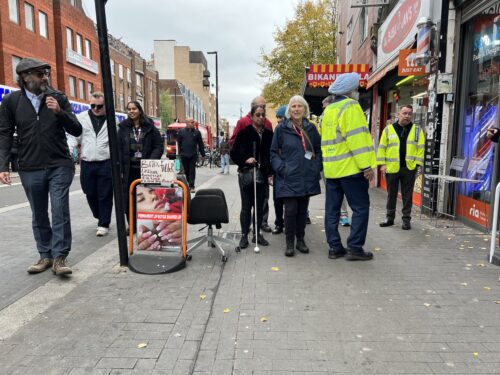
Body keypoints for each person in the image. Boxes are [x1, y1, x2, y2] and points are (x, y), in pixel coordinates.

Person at [0, 57, 82, 275]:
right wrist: (3, 166)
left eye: (46, 73)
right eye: (40, 74)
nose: (45, 77)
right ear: (26, 78)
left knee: (59, 209)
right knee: (38, 213)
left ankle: (60, 258)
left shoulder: (58, 98)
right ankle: (45, 255)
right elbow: (5, 134)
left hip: (59, 164)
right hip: (30, 166)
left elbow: (76, 129)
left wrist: (59, 112)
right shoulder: (11, 102)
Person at [320, 72, 376, 261]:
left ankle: (335, 247)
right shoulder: (351, 106)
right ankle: (355, 248)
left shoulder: (329, 110)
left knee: (332, 210)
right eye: (357, 88)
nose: (358, 92)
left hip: (332, 171)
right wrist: (366, 166)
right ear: (352, 90)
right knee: (360, 208)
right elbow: (356, 139)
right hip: (351, 170)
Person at [271, 96, 322, 257]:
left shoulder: (311, 128)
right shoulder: (281, 129)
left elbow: (319, 150)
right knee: (290, 210)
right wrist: (282, 168)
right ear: (289, 110)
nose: (297, 109)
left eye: (300, 106)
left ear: (305, 109)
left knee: (302, 211)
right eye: (294, 106)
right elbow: (273, 153)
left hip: (306, 176)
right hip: (288, 177)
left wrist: (315, 168)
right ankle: (289, 243)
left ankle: (301, 240)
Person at [67, 92, 113, 237]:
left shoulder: (112, 119)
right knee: (90, 192)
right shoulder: (81, 118)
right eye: (93, 105)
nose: (96, 109)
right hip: (87, 162)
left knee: (105, 194)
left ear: (105, 105)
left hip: (106, 162)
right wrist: (71, 148)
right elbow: (74, 135)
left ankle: (103, 223)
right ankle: (100, 215)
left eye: (99, 106)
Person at [230, 104, 273, 252]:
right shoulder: (244, 132)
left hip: (262, 175)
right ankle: (244, 235)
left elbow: (270, 155)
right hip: (246, 174)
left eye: (263, 115)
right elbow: (233, 153)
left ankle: (257, 234)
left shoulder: (268, 134)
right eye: (258, 115)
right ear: (252, 116)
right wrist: (245, 159)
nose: (261, 117)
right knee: (246, 206)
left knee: (259, 207)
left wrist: (270, 173)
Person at [117, 101, 164, 234]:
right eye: (129, 109)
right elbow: (118, 149)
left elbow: (158, 146)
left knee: (147, 197)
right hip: (129, 170)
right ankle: (132, 225)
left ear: (139, 110)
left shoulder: (150, 127)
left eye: (134, 109)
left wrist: (150, 162)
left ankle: (146, 224)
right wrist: (119, 167)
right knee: (129, 198)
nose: (131, 111)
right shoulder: (123, 128)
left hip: (147, 169)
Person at [377, 104, 425, 230]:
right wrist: (382, 164)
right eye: (404, 113)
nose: (407, 116)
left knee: (407, 196)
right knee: (391, 194)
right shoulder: (388, 129)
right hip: (392, 167)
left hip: (409, 168)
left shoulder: (417, 130)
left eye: (409, 113)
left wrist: (417, 165)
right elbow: (382, 148)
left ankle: (406, 220)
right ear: (398, 114)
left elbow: (421, 148)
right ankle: (389, 218)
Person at [321, 95, 350, 227]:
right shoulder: (323, 119)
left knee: (340, 191)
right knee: (332, 193)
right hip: (328, 163)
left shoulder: (340, 117)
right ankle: (335, 217)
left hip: (341, 163)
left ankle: (342, 215)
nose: (325, 110)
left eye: (326, 107)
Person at [177, 118, 205, 193]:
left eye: (194, 122)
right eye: (192, 122)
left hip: (193, 154)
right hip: (184, 154)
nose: (194, 123)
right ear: (187, 123)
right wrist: (179, 153)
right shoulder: (181, 132)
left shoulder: (197, 132)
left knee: (192, 170)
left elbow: (200, 144)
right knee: (186, 170)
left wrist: (203, 154)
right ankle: (189, 183)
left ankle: (192, 186)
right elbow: (179, 143)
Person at [272, 105, 287, 235]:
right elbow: (274, 151)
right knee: (277, 200)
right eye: (277, 119)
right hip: (279, 170)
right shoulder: (278, 129)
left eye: (280, 118)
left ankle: (286, 223)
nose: (279, 121)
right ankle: (279, 223)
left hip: (290, 170)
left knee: (289, 201)